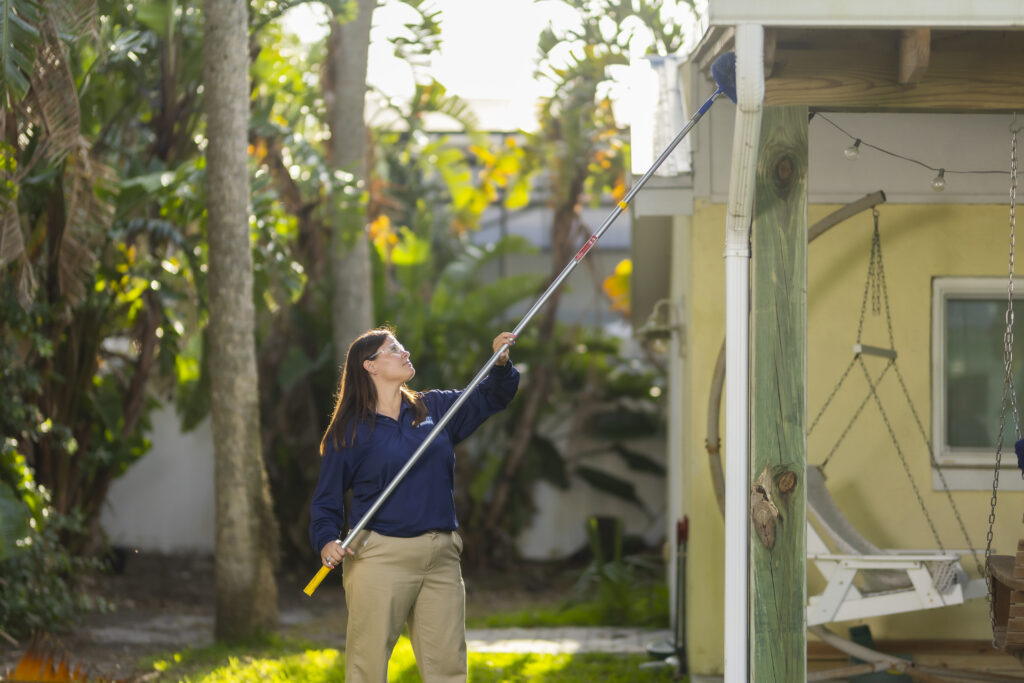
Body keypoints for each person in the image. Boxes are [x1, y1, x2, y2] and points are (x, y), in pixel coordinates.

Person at [309, 326, 519, 683]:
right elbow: (327, 501)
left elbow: (490, 397)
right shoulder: (349, 432)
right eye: (393, 348)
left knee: (448, 667)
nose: (404, 351)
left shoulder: (434, 407)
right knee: (368, 667)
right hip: (379, 558)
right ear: (369, 366)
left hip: (441, 556)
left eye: (401, 345)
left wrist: (499, 364)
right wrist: (327, 539)